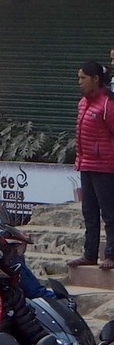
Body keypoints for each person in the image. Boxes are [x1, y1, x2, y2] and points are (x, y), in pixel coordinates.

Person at [71, 61, 114, 270]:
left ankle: (112, 255)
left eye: (83, 78)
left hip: (105, 167)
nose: (79, 82)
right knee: (89, 211)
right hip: (86, 164)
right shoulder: (82, 103)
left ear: (95, 79)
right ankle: (89, 254)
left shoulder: (107, 104)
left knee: (109, 213)